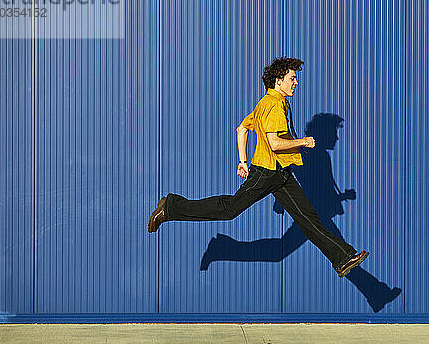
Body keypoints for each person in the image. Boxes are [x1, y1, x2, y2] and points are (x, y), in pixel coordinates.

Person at [148, 57, 369, 278]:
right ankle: (171, 207)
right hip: (266, 173)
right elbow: (274, 144)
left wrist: (242, 161)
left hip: (280, 174)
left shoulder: (268, 102)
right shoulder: (273, 106)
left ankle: (342, 259)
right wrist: (303, 142)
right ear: (278, 80)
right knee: (230, 209)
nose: (296, 83)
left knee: (308, 217)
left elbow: (241, 129)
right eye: (292, 78)